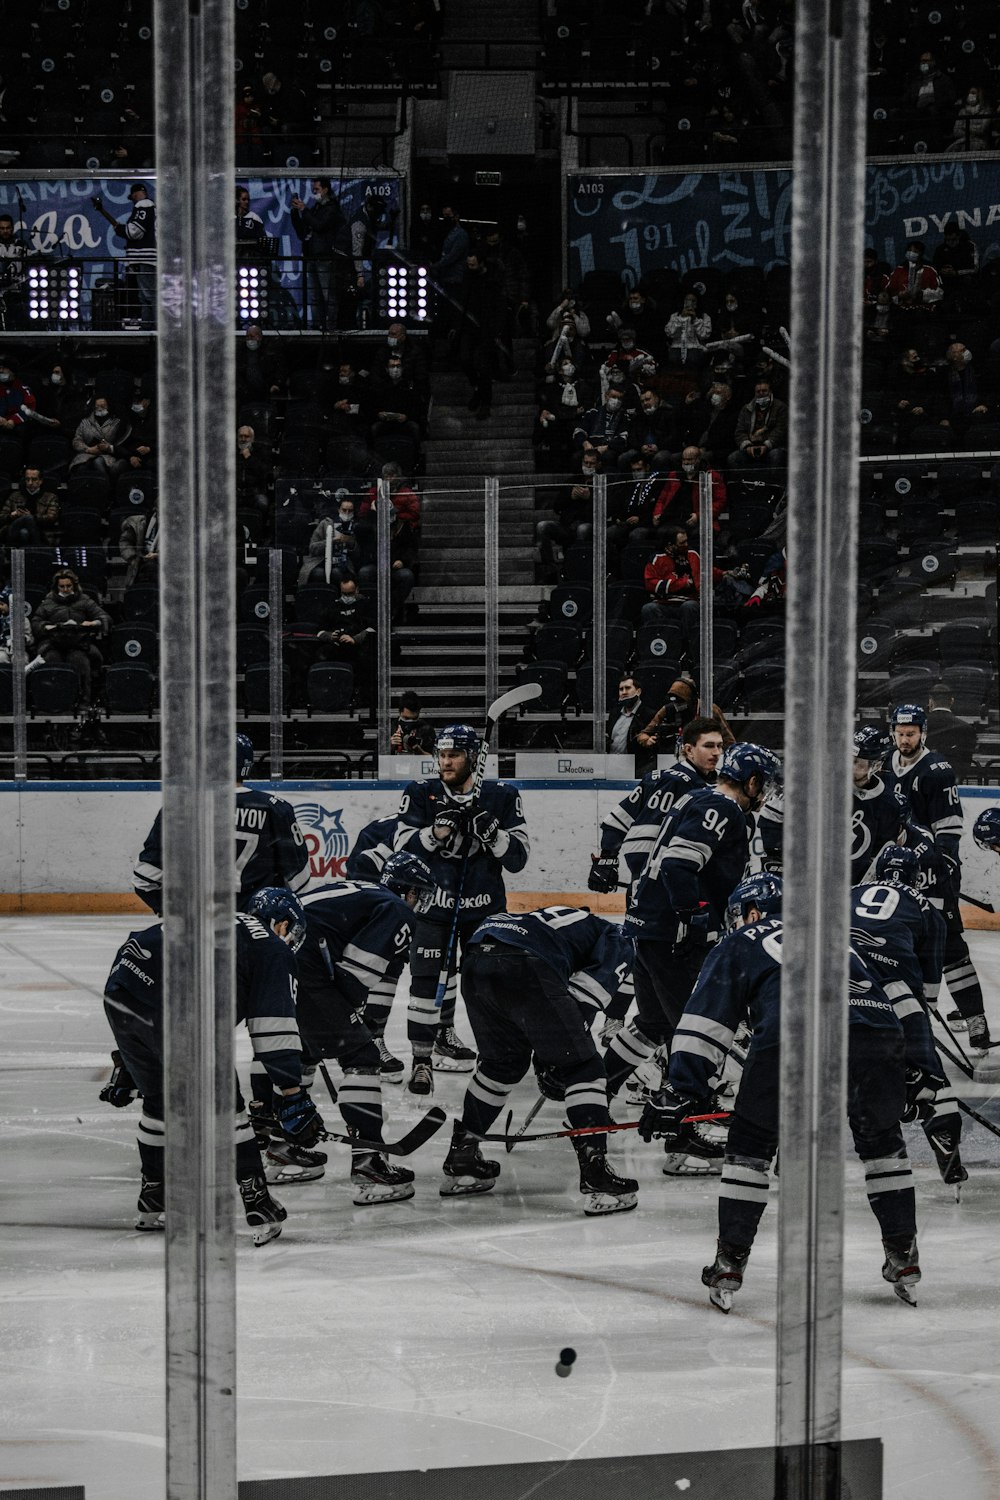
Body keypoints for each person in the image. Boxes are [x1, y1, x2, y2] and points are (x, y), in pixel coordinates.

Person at [639, 874, 925, 1310]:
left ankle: (729, 1262)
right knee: (882, 1140)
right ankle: (903, 1254)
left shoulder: (741, 941)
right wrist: (920, 1069)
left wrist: (683, 1089)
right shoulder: (835, 937)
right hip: (877, 1033)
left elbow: (706, 1021)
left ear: (751, 913)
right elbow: (901, 993)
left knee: (750, 1146)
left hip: (791, 1034)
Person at [100, 892, 319, 1244]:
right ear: (282, 923)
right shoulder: (271, 948)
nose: (291, 941)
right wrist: (292, 1095)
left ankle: (154, 1194)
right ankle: (257, 1200)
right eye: (291, 933)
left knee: (158, 1102)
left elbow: (155, 976)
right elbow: (272, 1029)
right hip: (177, 1005)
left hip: (121, 984)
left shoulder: (229, 925)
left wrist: (130, 1061)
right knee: (228, 1113)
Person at [606, 743, 781, 1172]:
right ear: (753, 782)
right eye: (765, 786)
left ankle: (590, 1089)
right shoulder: (722, 808)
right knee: (697, 1031)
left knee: (653, 1022)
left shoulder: (695, 796)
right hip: (672, 935)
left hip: (648, 928)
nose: (766, 795)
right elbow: (677, 866)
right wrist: (694, 916)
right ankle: (684, 1138)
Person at [441, 906, 639, 1215]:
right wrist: (559, 1058)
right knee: (584, 1067)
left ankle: (463, 1157)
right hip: (525, 963)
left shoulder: (566, 923)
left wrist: (549, 1050)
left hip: (477, 959)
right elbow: (584, 1001)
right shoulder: (619, 936)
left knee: (501, 1064)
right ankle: (597, 1174)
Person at [287, 853, 437, 1201]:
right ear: (406, 891)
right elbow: (357, 972)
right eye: (419, 893)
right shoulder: (396, 909)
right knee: (362, 1055)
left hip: (279, 955)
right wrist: (348, 1013)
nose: (419, 902)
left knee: (304, 1049)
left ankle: (286, 1147)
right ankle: (369, 1161)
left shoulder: (362, 891)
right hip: (306, 965)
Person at [394, 723, 530, 1093]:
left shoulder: (502, 796)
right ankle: (422, 1060)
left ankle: (495, 1053)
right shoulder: (421, 793)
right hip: (432, 906)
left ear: (473, 757)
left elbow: (519, 858)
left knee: (490, 986)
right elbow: (400, 851)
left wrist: (493, 834)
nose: (445, 761)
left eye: (453, 754)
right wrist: (433, 834)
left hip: (484, 911)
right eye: (442, 754)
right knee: (424, 983)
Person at [852, 845, 965, 1189]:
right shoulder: (926, 908)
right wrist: (920, 1021)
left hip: (838, 977)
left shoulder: (850, 892)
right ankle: (946, 1146)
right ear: (916, 876)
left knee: (808, 1071)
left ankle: (785, 1154)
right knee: (930, 1071)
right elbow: (929, 988)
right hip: (896, 988)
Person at [134, 733, 310, 914]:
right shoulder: (276, 808)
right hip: (257, 930)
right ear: (247, 765)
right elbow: (300, 881)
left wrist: (177, 914)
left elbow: (144, 879)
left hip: (199, 928)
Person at [589, 717, 726, 898]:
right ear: (689, 750)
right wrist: (609, 859)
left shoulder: (717, 786)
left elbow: (616, 821)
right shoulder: (672, 781)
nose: (716, 752)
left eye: (720, 746)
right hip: (662, 885)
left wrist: (608, 860)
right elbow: (620, 822)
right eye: (709, 746)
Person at [897, 814, 993, 1059]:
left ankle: (974, 1018)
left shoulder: (924, 845)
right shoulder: (873, 834)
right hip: (893, 909)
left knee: (954, 953)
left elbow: (944, 869)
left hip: (936, 899)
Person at [758, 727, 906, 884]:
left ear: (876, 765)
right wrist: (778, 858)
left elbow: (878, 857)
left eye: (858, 763)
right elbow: (772, 813)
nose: (851, 767)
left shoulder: (888, 805)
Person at [32, 567, 109, 706]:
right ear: (57, 587)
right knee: (51, 662)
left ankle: (82, 704)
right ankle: (54, 704)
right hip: (53, 644)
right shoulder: (48, 602)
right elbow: (36, 622)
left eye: (68, 586)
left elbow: (104, 617)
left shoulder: (84, 600)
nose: (65, 589)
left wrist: (92, 622)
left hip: (78, 644)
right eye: (62, 586)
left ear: (74, 585)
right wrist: (47, 626)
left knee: (80, 662)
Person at [290, 178, 348, 332]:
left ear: (325, 189)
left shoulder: (332, 209)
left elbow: (320, 225)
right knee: (315, 296)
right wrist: (295, 213)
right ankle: (317, 325)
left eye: (317, 189)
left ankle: (331, 326)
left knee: (328, 294)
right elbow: (305, 228)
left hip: (325, 257)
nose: (314, 192)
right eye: (313, 189)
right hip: (312, 256)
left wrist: (304, 210)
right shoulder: (316, 208)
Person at [110, 183, 157, 328]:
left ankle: (153, 326)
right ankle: (149, 326)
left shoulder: (143, 206)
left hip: (145, 257)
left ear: (136, 194)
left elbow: (135, 232)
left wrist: (120, 229)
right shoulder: (152, 208)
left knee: (148, 295)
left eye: (133, 196)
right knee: (146, 296)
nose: (133, 200)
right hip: (149, 257)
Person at [70, 395, 132, 481]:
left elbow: (120, 441)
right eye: (97, 406)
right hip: (86, 453)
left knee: (98, 462)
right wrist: (88, 449)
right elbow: (77, 440)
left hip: (107, 455)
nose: (100, 409)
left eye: (103, 406)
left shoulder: (117, 422)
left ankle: (105, 487)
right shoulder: (85, 422)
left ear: (108, 406)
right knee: (82, 467)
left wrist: (108, 447)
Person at [728, 379, 789, 467]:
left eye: (764, 391)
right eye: (758, 391)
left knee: (776, 455)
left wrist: (767, 445)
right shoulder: (746, 409)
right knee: (733, 458)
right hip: (751, 446)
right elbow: (740, 431)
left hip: (773, 446)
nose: (761, 393)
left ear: (770, 391)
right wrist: (747, 446)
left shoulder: (780, 407)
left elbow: (781, 430)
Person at [925, 681, 977, 781]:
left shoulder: (919, 725)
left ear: (931, 702)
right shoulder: (966, 728)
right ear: (952, 701)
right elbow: (965, 764)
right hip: (952, 781)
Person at [1, 466, 60, 546]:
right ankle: (37, 548)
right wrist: (12, 515)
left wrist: (33, 517)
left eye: (34, 479)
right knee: (26, 521)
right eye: (27, 479)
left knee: (24, 531)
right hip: (14, 530)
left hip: (40, 531)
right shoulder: (14, 496)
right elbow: (2, 516)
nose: (30, 483)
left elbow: (52, 517)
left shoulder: (50, 497)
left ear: (40, 481)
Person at [389, 690, 436, 755]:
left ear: (419, 713)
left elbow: (435, 759)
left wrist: (419, 751)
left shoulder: (426, 730)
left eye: (414, 718)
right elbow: (377, 759)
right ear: (400, 712)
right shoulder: (389, 729)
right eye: (406, 718)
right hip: (393, 764)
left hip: (417, 764)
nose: (410, 721)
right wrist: (389, 746)